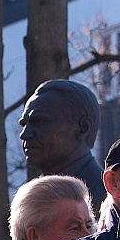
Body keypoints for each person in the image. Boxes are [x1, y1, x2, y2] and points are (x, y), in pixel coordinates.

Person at [18, 80, 107, 208]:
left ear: (83, 128)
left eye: (39, 121)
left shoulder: (109, 199)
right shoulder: (29, 201)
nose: (24, 134)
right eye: (24, 124)